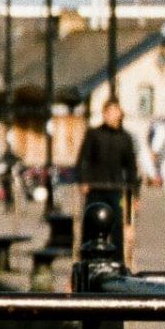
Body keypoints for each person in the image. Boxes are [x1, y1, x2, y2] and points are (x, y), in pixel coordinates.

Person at [72, 99, 141, 238]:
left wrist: (135, 195)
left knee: (117, 227)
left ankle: (117, 258)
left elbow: (131, 167)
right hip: (95, 187)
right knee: (92, 223)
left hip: (116, 188)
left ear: (120, 114)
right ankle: (89, 256)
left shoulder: (125, 138)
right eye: (107, 112)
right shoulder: (94, 134)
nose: (109, 115)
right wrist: (83, 180)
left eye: (113, 112)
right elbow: (82, 159)